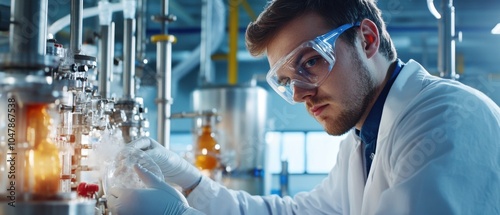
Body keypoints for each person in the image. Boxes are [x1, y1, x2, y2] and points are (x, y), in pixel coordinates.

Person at [107, 0, 500, 214]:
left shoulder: (446, 119)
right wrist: (192, 183)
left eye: (310, 62)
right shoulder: (363, 139)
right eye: (285, 81)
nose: (298, 94)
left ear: (366, 39)